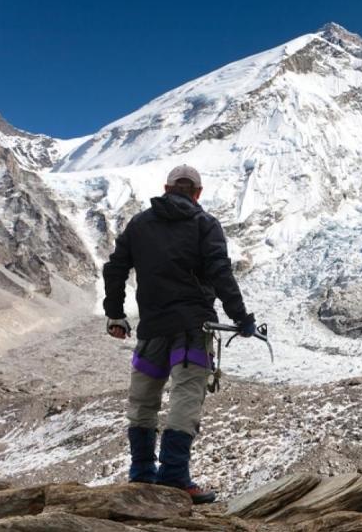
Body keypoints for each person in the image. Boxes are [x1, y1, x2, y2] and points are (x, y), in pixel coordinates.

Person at [103, 165, 255, 504]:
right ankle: (173, 476)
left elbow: (114, 268)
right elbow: (220, 272)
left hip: (152, 329)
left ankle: (141, 475)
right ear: (197, 193)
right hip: (193, 328)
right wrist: (241, 317)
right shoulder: (205, 225)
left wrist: (115, 313)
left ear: (167, 188)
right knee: (185, 397)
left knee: (143, 401)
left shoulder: (140, 224)